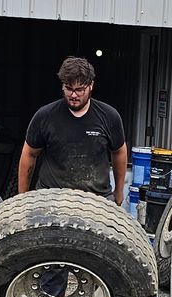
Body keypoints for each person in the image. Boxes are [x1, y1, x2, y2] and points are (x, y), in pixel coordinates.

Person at [18, 56, 128, 201]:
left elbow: (119, 152)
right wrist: (21, 199)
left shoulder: (109, 116)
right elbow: (29, 154)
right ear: (62, 86)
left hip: (97, 200)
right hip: (50, 198)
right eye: (68, 89)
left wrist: (119, 193)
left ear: (91, 86)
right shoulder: (45, 116)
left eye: (79, 90)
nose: (74, 95)